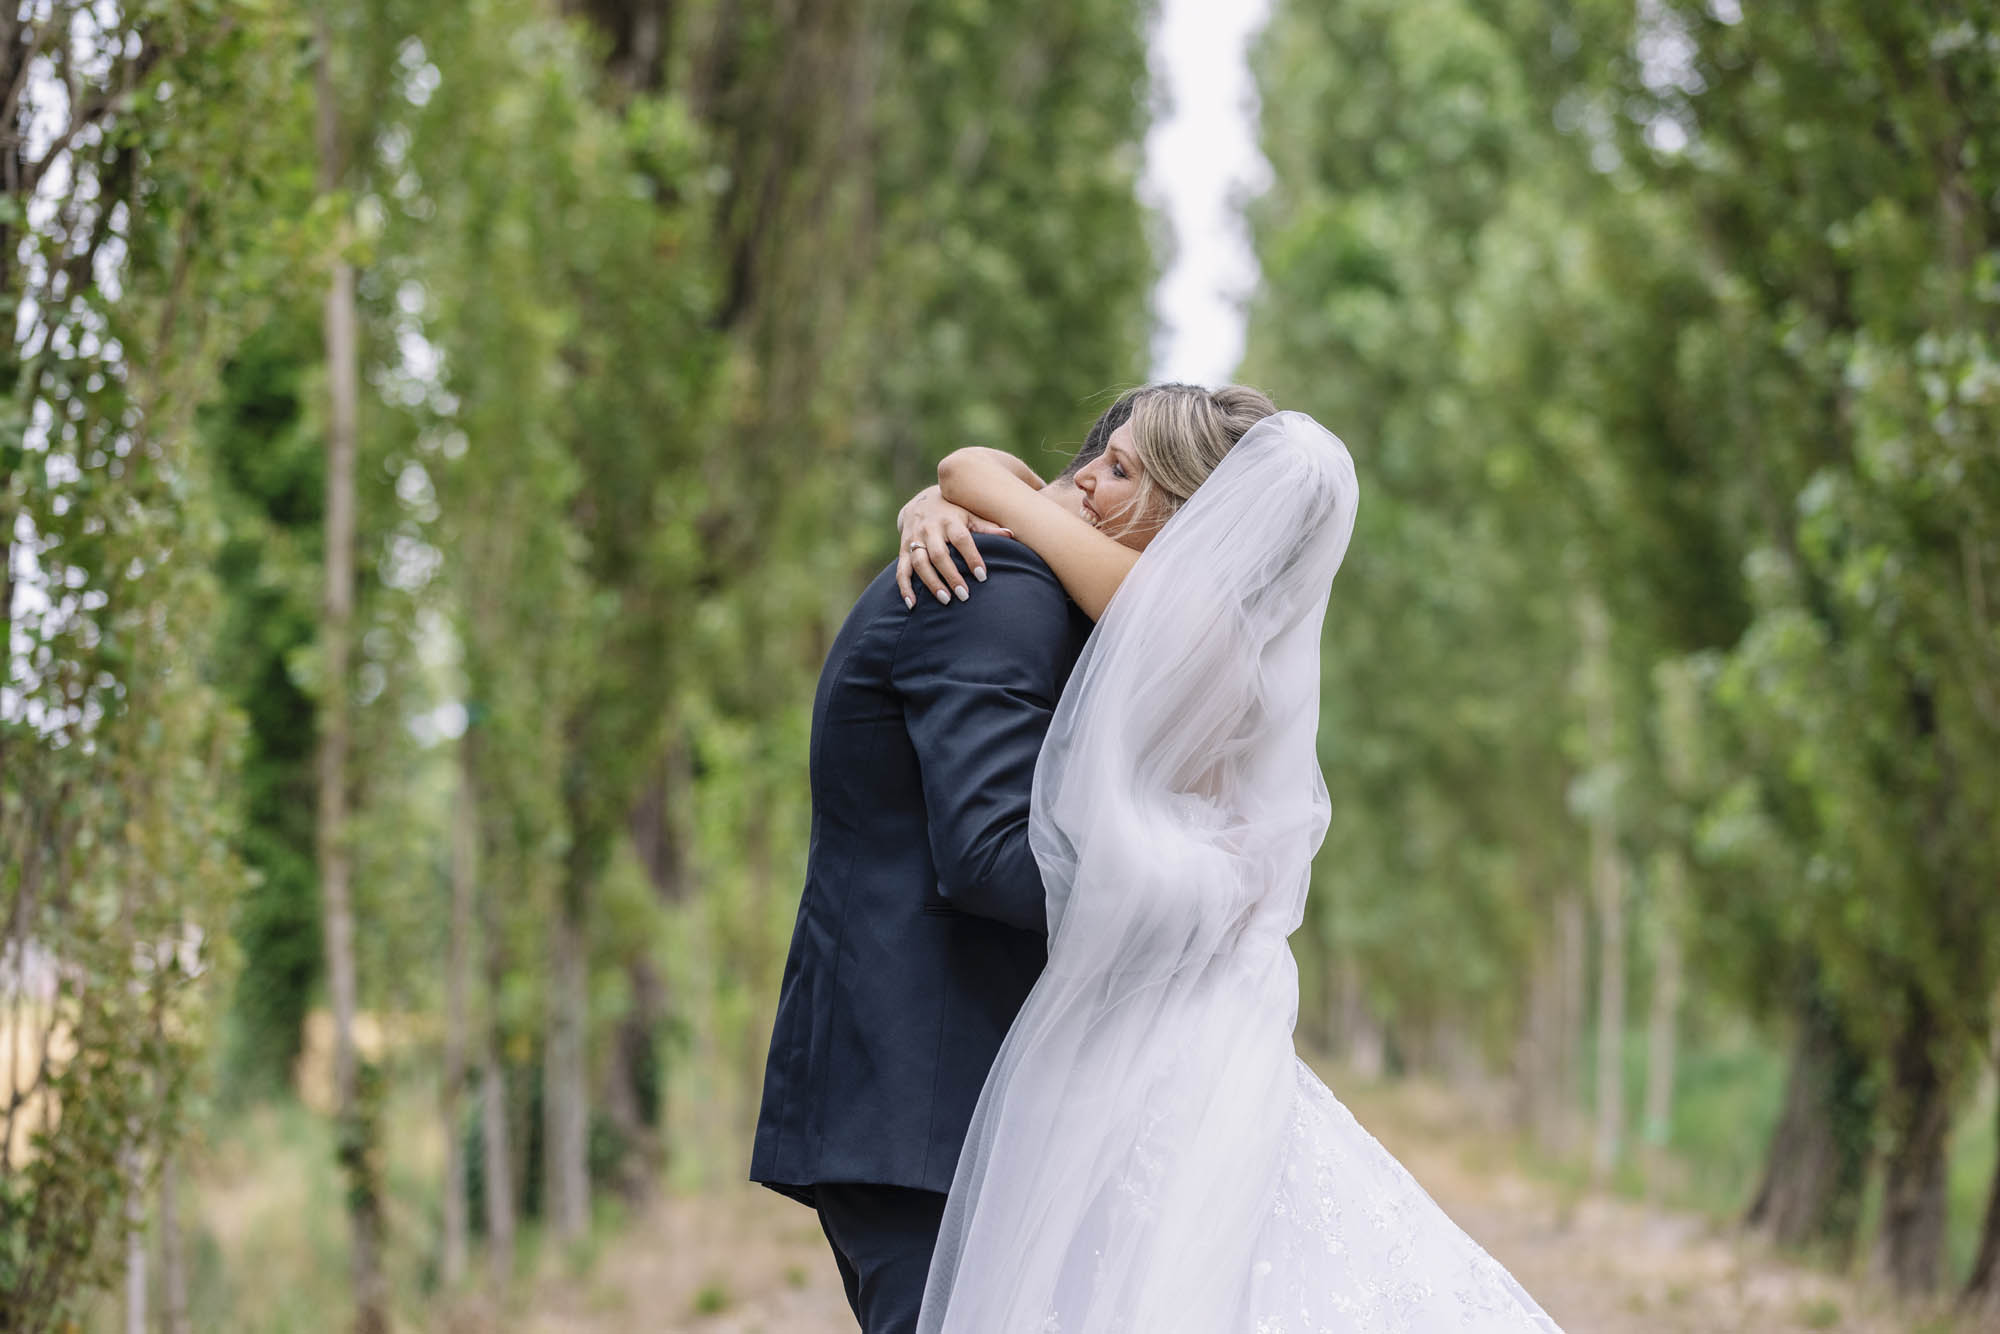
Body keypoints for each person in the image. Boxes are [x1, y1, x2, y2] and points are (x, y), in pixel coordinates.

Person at [903, 398, 1566, 1333]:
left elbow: (974, 468)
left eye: (1122, 469)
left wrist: (961, 498)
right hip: (1151, 999)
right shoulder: (1197, 614)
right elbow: (988, 479)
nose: (1088, 476)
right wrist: (928, 509)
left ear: (1191, 515)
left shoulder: (1185, 620)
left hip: (1164, 1011)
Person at [749, 383, 1277, 1334]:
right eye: (1100, 455)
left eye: (1123, 473)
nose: (1081, 479)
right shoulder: (990, 579)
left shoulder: (1104, 628)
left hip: (991, 1101)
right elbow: (992, 856)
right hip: (923, 1098)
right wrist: (1202, 900)